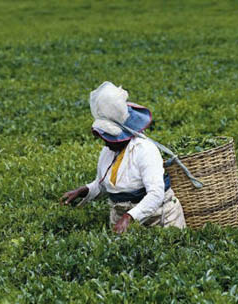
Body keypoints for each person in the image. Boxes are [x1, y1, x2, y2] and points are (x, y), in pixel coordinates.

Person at [60, 81, 186, 234]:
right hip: (121, 221)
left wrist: (129, 217)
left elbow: (156, 193)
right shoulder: (108, 152)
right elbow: (105, 184)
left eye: (107, 137)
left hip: (159, 220)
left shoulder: (144, 150)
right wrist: (83, 190)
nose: (105, 142)